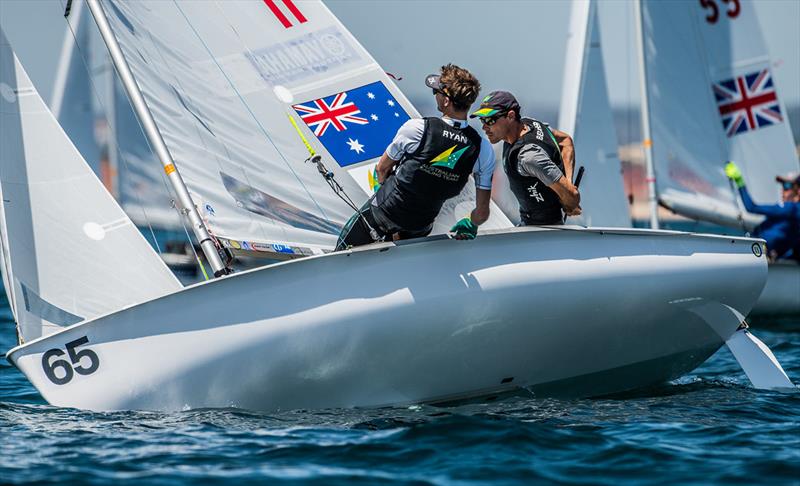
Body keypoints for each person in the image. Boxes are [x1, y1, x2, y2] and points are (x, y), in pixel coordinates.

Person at [336, 64, 495, 249]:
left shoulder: (418, 128)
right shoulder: (482, 148)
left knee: (338, 255)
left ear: (446, 101)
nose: (435, 95)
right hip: (419, 227)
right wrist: (472, 224)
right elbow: (482, 212)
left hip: (383, 213)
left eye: (437, 92)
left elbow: (382, 168)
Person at [470, 91, 581, 225]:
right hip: (533, 228)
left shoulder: (529, 157)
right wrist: (568, 183)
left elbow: (573, 196)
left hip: (543, 232)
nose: (484, 127)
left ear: (511, 116)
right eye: (482, 120)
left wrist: (568, 197)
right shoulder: (530, 124)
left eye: (490, 120)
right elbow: (565, 140)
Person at [725, 162, 800, 262]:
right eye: (782, 185)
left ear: (798, 191)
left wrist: (739, 181)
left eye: (787, 186)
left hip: (756, 253)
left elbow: (751, 207)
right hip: (764, 255)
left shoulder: (790, 208)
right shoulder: (793, 213)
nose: (782, 190)